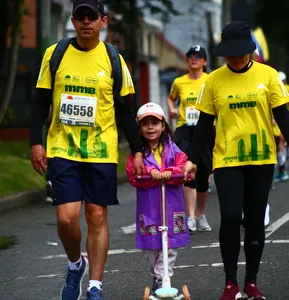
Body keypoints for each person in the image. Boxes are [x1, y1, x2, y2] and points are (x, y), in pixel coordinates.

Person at [29, 1, 145, 300]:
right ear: (72, 21)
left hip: (100, 150)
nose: (85, 22)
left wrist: (137, 150)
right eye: (79, 17)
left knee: (96, 217)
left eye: (91, 17)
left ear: (103, 21)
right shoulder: (55, 54)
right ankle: (74, 264)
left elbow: (126, 109)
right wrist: (36, 141)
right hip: (62, 148)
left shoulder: (113, 58)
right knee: (67, 218)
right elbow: (40, 101)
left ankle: (95, 285)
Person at [183, 21, 289, 300]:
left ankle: (251, 283)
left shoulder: (268, 76)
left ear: (251, 50)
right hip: (227, 159)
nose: (235, 57)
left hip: (261, 158)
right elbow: (204, 125)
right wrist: (192, 159)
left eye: (240, 51)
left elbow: (283, 117)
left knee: (254, 220)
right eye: (229, 52)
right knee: (231, 216)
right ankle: (231, 284)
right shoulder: (214, 80)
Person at [125, 102, 190, 296]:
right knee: (152, 247)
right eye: (146, 124)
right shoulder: (138, 153)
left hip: (172, 205)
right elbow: (132, 172)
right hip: (150, 207)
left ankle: (164, 278)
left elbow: (184, 165)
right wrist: (149, 171)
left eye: (155, 123)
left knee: (170, 245)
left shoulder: (172, 148)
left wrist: (171, 172)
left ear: (163, 125)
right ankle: (157, 276)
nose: (151, 127)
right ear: (139, 128)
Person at [167, 45, 214, 232]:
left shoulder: (211, 80)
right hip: (185, 130)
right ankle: (191, 217)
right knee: (188, 173)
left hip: (207, 131)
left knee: (204, 175)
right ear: (186, 60)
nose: (193, 59)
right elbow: (171, 98)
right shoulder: (179, 82)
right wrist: (171, 108)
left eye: (198, 56)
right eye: (190, 56)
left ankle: (201, 215)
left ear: (205, 61)